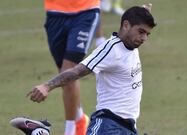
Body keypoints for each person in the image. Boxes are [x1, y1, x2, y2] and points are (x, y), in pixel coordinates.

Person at [27, 4, 156, 135]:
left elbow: (137, 24)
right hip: (108, 124)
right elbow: (76, 71)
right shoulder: (111, 50)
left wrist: (144, 13)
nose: (144, 38)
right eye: (141, 32)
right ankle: (39, 132)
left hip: (129, 128)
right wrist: (47, 86)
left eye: (147, 34)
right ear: (126, 25)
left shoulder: (131, 44)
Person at [43, 0, 105, 135]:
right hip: (55, 11)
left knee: (68, 71)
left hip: (85, 11)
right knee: (63, 75)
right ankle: (79, 117)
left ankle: (71, 130)